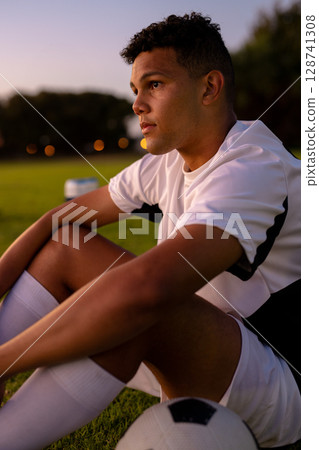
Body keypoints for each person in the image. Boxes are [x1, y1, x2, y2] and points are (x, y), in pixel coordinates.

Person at [0, 12, 300, 449]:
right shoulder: (165, 163)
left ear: (210, 87)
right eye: (135, 90)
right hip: (204, 346)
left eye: (155, 85)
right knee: (66, 246)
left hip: (285, 381)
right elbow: (60, 220)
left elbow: (150, 288)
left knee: (140, 306)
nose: (138, 103)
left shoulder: (253, 164)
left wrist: (4, 362)